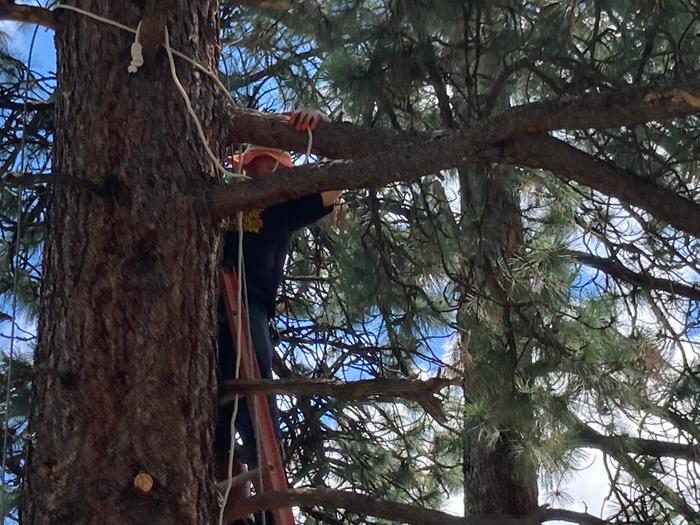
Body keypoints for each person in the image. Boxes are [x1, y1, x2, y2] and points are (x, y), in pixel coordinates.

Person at [214, 109, 341, 483]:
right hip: (204, 302)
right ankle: (225, 485)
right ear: (249, 163)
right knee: (213, 412)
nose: (272, 167)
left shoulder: (283, 204)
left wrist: (319, 130)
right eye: (265, 159)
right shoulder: (223, 191)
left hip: (249, 304)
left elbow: (335, 184)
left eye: (278, 160)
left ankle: (267, 484)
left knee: (256, 403)